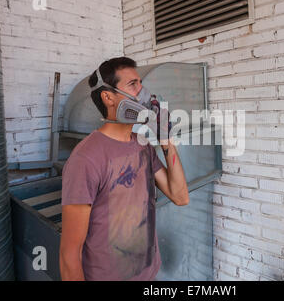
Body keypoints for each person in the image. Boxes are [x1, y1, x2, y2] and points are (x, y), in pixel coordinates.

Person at [59, 57, 189, 281]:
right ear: (108, 97)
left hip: (148, 274)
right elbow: (69, 255)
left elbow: (180, 196)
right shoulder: (86, 158)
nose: (143, 92)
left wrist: (165, 139)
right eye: (132, 85)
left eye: (140, 83)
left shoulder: (142, 144)